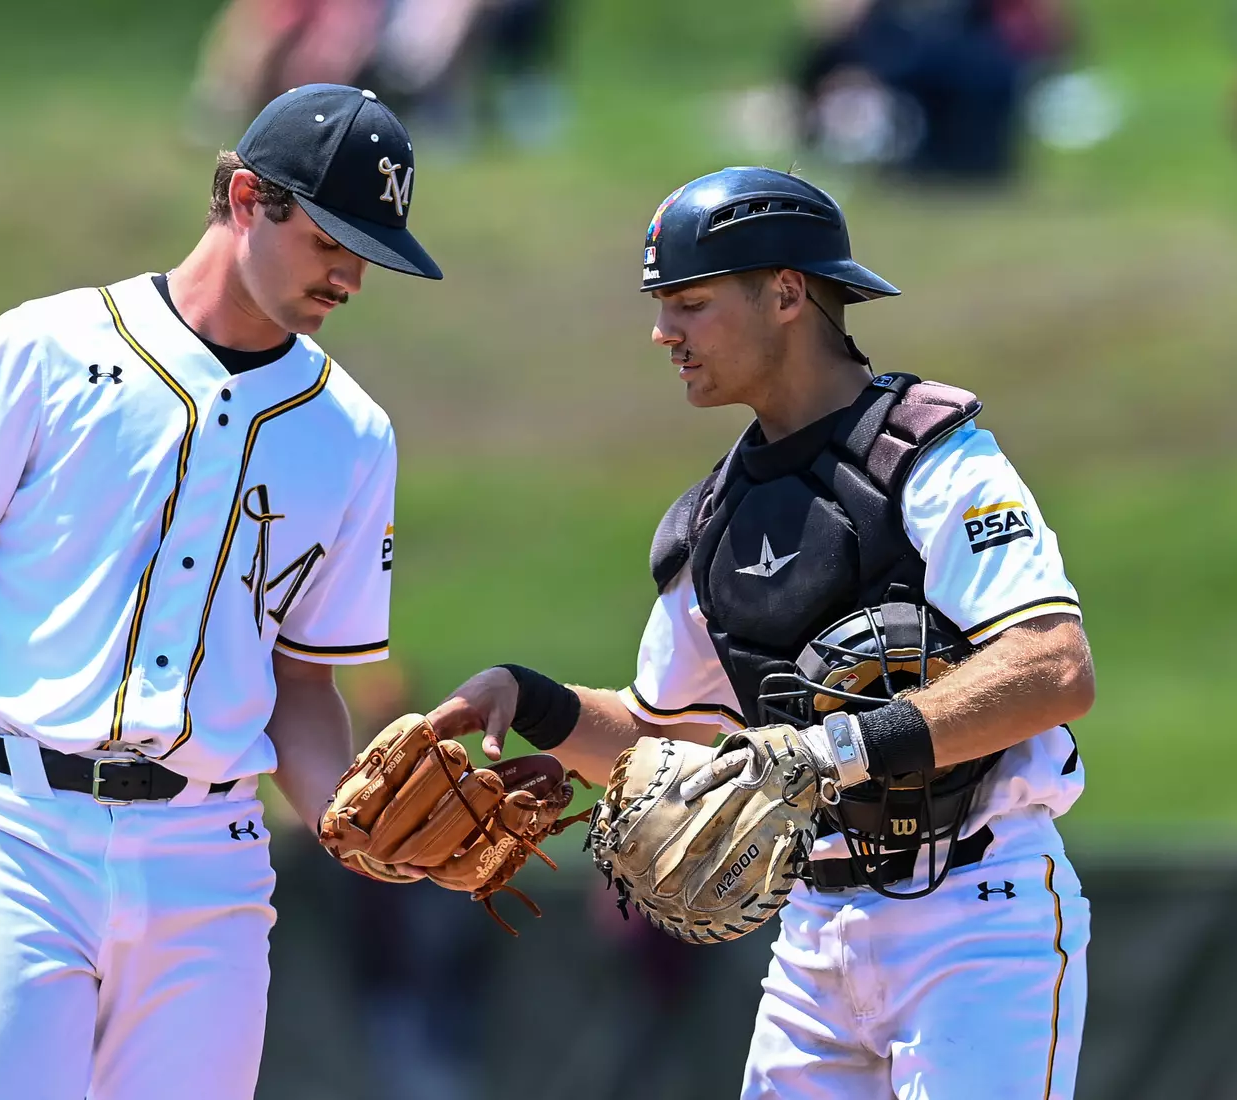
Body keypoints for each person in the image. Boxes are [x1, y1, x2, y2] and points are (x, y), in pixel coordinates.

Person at [0, 83, 440, 1099]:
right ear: (243, 196)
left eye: (370, 249)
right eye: (333, 237)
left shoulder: (354, 435)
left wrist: (355, 822)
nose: (352, 272)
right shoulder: (44, 349)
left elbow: (303, 681)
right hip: (17, 832)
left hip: (211, 854)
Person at [428, 166, 1094, 1098]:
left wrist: (831, 752)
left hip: (976, 918)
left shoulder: (929, 453)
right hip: (813, 938)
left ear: (786, 292)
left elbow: (1053, 668)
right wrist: (529, 698)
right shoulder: (706, 524)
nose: (664, 332)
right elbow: (673, 742)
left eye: (691, 304)